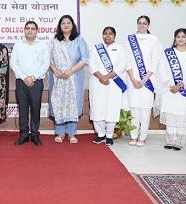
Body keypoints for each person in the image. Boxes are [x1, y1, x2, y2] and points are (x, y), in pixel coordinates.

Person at [48, 15, 89, 144]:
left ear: (72, 25)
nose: (66, 25)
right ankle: (59, 132)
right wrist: (56, 71)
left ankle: (72, 133)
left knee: (72, 103)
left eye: (68, 23)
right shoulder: (54, 41)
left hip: (74, 77)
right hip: (58, 77)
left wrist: (71, 71)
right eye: (63, 23)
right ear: (59, 26)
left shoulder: (79, 40)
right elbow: (48, 59)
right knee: (59, 102)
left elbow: (85, 59)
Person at [156, 28, 186, 151]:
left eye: (183, 36)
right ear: (175, 39)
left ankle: (179, 141)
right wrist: (170, 84)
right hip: (169, 89)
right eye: (178, 36)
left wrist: (180, 85)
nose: (180, 39)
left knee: (181, 116)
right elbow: (161, 69)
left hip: (184, 91)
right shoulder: (167, 53)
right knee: (170, 115)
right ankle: (169, 140)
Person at [10, 21, 50, 146]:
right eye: (27, 28)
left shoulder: (43, 45)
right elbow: (13, 63)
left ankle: (34, 134)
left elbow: (46, 64)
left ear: (37, 31)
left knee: (35, 108)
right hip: (21, 82)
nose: (30, 30)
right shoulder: (18, 45)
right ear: (24, 30)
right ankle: (23, 135)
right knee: (22, 109)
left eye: (33, 28)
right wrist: (24, 77)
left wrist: (33, 77)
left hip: (36, 82)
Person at [88, 26, 128, 147]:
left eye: (110, 34)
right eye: (105, 33)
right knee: (97, 107)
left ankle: (109, 135)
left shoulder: (120, 48)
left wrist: (107, 77)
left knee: (112, 107)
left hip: (113, 83)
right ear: (102, 35)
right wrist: (101, 77)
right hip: (97, 82)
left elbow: (122, 65)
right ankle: (100, 134)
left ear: (114, 36)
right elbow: (91, 64)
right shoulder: (96, 48)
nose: (108, 36)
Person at [125, 15, 162, 147]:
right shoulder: (130, 39)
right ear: (137, 24)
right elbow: (127, 60)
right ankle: (134, 135)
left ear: (148, 25)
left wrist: (144, 79)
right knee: (134, 108)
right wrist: (133, 79)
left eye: (144, 23)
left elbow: (155, 60)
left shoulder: (154, 39)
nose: (142, 25)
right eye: (139, 23)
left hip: (148, 81)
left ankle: (143, 137)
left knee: (145, 109)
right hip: (132, 80)